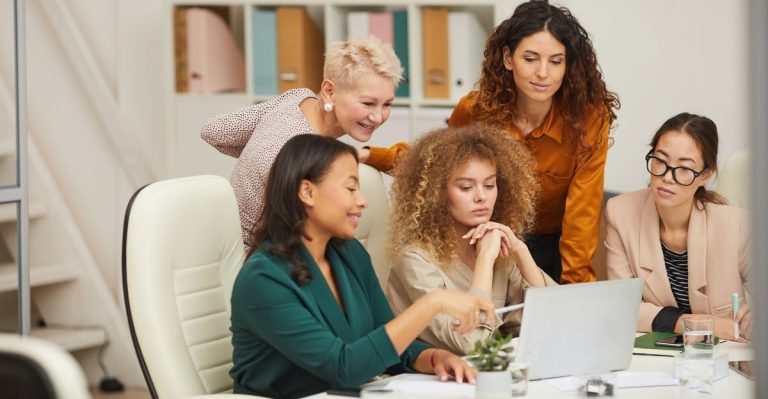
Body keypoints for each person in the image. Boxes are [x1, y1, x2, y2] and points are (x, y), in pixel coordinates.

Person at [367, 0, 620, 284]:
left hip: (556, 247)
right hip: (485, 241)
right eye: (531, 58)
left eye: (555, 61)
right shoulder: (476, 110)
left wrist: (574, 291)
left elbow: (581, 215)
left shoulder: (589, 118)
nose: (543, 73)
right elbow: (433, 163)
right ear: (508, 58)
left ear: (568, 65)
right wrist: (366, 155)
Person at [230, 134, 495, 399]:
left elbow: (387, 340)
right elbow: (344, 368)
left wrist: (435, 357)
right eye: (351, 188)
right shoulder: (263, 278)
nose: (363, 201)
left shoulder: (350, 253)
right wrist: (432, 304)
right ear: (307, 192)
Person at [201, 36, 407, 253]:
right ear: (329, 91)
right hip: (259, 261)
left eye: (387, 104)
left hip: (226, 245)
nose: (377, 117)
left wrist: (257, 156)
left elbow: (214, 131)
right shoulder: (304, 155)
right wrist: (269, 161)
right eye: (367, 103)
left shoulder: (296, 99)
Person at [386, 125, 557, 354]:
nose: (481, 197)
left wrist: (520, 251)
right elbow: (472, 345)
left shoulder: (501, 253)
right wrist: (484, 260)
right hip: (431, 382)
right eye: (466, 187)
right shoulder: (415, 262)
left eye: (489, 185)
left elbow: (552, 322)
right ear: (436, 194)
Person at [605, 112, 752, 341]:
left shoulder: (737, 225)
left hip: (726, 358)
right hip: (654, 358)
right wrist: (699, 324)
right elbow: (621, 308)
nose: (667, 177)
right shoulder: (620, 213)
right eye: (660, 161)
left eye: (684, 168)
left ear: (706, 174)